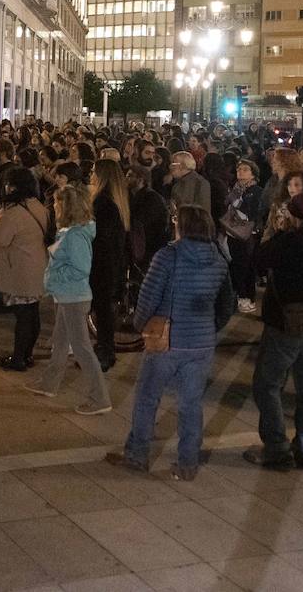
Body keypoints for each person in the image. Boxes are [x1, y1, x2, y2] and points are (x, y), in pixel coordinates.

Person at [108, 205, 230, 481]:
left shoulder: (168, 256)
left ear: (181, 227)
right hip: (201, 342)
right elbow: (227, 303)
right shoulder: (219, 258)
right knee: (191, 403)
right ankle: (187, 463)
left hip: (166, 339)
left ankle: (137, 455)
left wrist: (141, 326)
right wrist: (210, 327)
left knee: (147, 398)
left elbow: (148, 297)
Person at [245, 192, 303, 471]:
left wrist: (276, 230)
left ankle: (277, 448)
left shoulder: (291, 241)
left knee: (267, 385)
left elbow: (259, 259)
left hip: (284, 320)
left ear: (295, 215)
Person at [28, 186, 112, 415]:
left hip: (73, 296)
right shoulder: (70, 232)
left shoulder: (74, 235)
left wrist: (54, 277)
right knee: (61, 342)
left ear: (67, 207)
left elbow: (81, 269)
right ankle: (49, 384)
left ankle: (100, 399)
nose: (54, 206)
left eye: (57, 203)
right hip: (66, 295)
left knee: (82, 348)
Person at [0, 167, 50, 371]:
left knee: (22, 315)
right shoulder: (39, 206)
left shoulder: (10, 210)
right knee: (32, 313)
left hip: (19, 268)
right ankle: (27, 354)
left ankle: (19, 358)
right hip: (37, 265)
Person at [89, 158, 131, 371]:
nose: (91, 174)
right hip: (111, 263)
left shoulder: (103, 203)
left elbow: (101, 237)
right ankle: (105, 349)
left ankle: (105, 351)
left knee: (102, 311)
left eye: (94, 171)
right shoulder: (116, 201)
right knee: (104, 310)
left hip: (101, 264)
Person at [225, 160, 264, 313]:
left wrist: (236, 202)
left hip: (247, 233)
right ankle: (239, 296)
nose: (240, 172)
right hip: (233, 231)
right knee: (236, 264)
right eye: (239, 169)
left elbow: (251, 211)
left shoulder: (256, 191)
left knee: (245, 266)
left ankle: (247, 297)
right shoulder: (236, 189)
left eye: (245, 169)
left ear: (253, 173)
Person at [167, 150, 211, 214]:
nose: (170, 167)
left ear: (182, 166)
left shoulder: (200, 183)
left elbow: (204, 212)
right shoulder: (176, 182)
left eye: (173, 163)